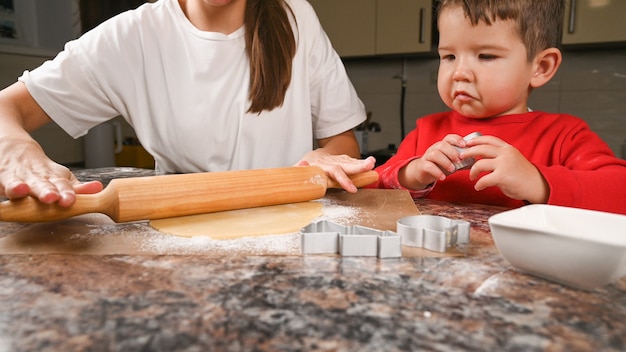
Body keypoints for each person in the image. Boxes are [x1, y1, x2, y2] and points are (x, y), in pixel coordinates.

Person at [0, 0, 375, 208]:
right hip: (182, 232)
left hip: (291, 227)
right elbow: (7, 108)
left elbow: (342, 145)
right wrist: (14, 145)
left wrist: (324, 157)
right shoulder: (131, 37)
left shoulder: (296, 18)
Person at [371, 0, 626, 215]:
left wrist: (536, 181)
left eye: (485, 56)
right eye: (449, 56)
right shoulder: (426, 131)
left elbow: (619, 192)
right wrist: (410, 174)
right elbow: (371, 187)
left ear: (541, 67)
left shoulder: (563, 135)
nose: (459, 72)